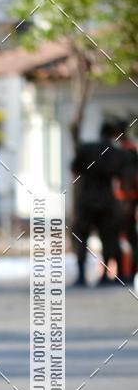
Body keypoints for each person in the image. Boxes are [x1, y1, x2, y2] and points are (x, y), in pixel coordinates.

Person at [71, 120, 126, 287]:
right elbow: (121, 173)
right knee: (108, 237)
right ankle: (105, 277)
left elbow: (74, 168)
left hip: (86, 200)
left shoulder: (86, 149)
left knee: (81, 238)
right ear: (113, 134)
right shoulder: (115, 152)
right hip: (106, 201)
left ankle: (81, 276)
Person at [112, 119, 138, 284]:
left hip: (126, 200)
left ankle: (128, 272)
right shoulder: (128, 150)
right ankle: (125, 272)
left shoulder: (127, 151)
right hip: (124, 199)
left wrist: (128, 201)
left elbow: (129, 178)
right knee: (125, 237)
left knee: (128, 237)